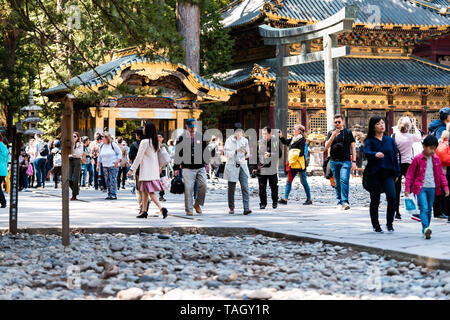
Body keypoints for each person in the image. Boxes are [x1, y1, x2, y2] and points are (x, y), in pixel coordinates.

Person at [405, 135, 449, 239]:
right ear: (424, 146)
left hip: (433, 188)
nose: (433, 151)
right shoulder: (417, 159)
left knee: (429, 209)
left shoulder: (436, 159)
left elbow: (441, 175)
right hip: (420, 188)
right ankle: (425, 228)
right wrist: (407, 188)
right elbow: (410, 174)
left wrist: (446, 187)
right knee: (424, 208)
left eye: (435, 149)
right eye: (431, 148)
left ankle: (426, 228)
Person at [363, 116, 400, 233]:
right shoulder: (369, 140)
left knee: (392, 197)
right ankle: (376, 225)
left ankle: (390, 223)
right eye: (378, 124)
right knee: (375, 200)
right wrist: (375, 154)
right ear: (373, 126)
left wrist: (397, 172)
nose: (381, 125)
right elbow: (366, 152)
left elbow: (395, 157)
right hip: (374, 174)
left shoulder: (390, 140)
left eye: (383, 123)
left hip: (388, 173)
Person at [127, 122, 168, 219]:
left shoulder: (144, 142)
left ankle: (161, 208)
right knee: (145, 191)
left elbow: (138, 157)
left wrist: (132, 169)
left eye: (144, 127)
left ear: (147, 129)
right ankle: (144, 211)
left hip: (146, 171)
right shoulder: (155, 142)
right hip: (153, 170)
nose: (143, 129)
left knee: (150, 192)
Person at [174, 118, 210, 216]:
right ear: (186, 126)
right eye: (190, 127)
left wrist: (207, 163)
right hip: (187, 167)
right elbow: (178, 154)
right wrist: (176, 168)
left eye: (194, 127)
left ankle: (197, 203)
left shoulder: (201, 137)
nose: (192, 129)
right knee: (188, 188)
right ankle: (188, 209)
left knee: (204, 186)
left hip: (200, 166)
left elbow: (205, 151)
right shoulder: (181, 138)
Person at [324, 114, 357, 210]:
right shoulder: (331, 132)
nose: (337, 124)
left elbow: (353, 147)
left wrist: (354, 161)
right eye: (335, 122)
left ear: (343, 121)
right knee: (337, 183)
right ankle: (339, 201)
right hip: (334, 161)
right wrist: (333, 136)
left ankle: (345, 202)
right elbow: (326, 146)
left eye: (339, 122)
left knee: (344, 180)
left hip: (345, 161)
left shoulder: (348, 132)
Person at [392, 117, 422, 220]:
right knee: (410, 188)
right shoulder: (411, 137)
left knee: (396, 188)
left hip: (397, 164)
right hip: (408, 164)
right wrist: (415, 125)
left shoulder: (394, 136)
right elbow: (419, 137)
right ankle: (412, 210)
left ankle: (396, 212)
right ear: (408, 126)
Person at [279, 124, 312, 205]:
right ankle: (285, 199)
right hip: (293, 164)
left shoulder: (302, 140)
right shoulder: (293, 139)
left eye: (295, 129)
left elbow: (301, 152)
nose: (293, 130)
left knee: (303, 181)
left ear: (299, 131)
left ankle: (309, 199)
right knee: (289, 181)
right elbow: (285, 142)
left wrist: (293, 153)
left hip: (299, 164)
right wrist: (281, 136)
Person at [224, 123, 252, 215]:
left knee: (245, 187)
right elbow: (226, 154)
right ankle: (231, 207)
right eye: (237, 131)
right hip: (232, 165)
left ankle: (246, 208)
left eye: (240, 131)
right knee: (231, 188)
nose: (239, 133)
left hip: (242, 165)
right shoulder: (229, 140)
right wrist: (235, 151)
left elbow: (248, 154)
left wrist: (246, 152)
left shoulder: (244, 140)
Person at [255, 126, 282, 210]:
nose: (264, 135)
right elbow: (255, 156)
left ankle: (275, 202)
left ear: (270, 134)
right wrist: (254, 167)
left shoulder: (275, 142)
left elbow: (280, 154)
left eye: (265, 134)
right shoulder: (259, 143)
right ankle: (263, 203)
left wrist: (270, 154)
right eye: (263, 134)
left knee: (274, 186)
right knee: (262, 187)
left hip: (272, 168)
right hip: (261, 168)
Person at [97, 132, 121, 200]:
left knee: (112, 179)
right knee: (107, 180)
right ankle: (109, 194)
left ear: (107, 137)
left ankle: (113, 194)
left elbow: (119, 153)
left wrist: (117, 162)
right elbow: (99, 156)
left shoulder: (113, 144)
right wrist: (98, 165)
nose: (101, 138)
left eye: (103, 137)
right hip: (105, 165)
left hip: (113, 165)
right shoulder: (101, 145)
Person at [69, 132, 83, 200]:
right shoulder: (69, 144)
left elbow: (79, 154)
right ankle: (76, 190)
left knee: (75, 179)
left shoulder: (80, 144)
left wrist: (75, 145)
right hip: (70, 160)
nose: (73, 138)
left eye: (75, 136)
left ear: (78, 137)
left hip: (77, 161)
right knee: (67, 178)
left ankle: (74, 195)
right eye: (72, 136)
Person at [158, 131, 169, 202]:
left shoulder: (164, 146)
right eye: (157, 137)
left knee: (162, 181)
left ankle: (161, 195)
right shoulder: (153, 145)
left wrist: (162, 166)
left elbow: (166, 157)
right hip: (154, 167)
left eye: (160, 137)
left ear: (163, 138)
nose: (158, 138)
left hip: (162, 167)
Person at [0, 134, 8, 208]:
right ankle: (3, 202)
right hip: (3, 170)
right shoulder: (4, 147)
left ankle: (3, 202)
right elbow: (7, 159)